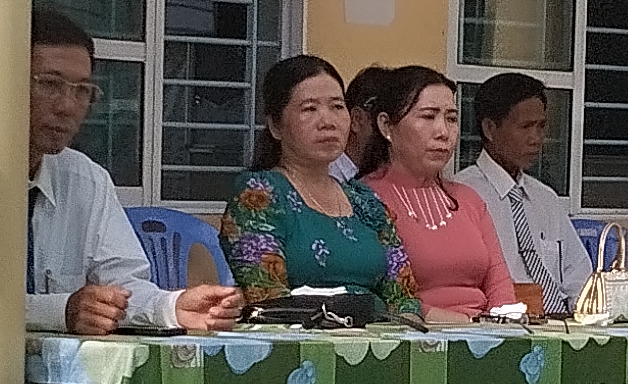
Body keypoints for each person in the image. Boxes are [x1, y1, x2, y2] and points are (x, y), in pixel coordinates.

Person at [26, 12, 240, 334]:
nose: (67, 106)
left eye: (82, 90)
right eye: (49, 85)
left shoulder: (87, 180)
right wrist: (61, 311)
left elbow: (124, 286)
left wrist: (172, 307)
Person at [223, 56, 425, 318]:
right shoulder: (259, 194)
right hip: (302, 335)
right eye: (309, 109)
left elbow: (404, 295)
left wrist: (406, 325)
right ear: (275, 126)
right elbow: (269, 301)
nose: (328, 121)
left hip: (381, 335)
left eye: (337, 107)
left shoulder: (364, 200)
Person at [355, 66, 515, 323]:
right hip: (412, 335)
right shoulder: (363, 199)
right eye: (428, 116)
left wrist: (505, 326)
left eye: (451, 119)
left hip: (487, 333)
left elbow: (500, 285)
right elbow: (380, 296)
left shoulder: (468, 199)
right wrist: (459, 323)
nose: (443, 132)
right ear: (386, 125)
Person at [456, 74, 596, 306]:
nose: (536, 139)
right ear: (490, 129)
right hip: (499, 318)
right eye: (525, 127)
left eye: (541, 126)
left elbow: (578, 275)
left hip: (560, 319)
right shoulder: (462, 195)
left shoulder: (545, 198)